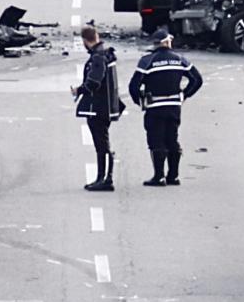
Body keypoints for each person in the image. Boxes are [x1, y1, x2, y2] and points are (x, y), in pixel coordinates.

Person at [128, 28, 203, 187]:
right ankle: (173, 176)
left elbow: (133, 86)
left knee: (156, 140)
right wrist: (184, 95)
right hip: (174, 106)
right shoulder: (180, 59)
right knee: (172, 138)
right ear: (167, 42)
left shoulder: (147, 61)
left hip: (155, 106)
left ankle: (159, 176)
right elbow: (197, 80)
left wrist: (140, 101)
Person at [72, 24, 123, 192]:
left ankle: (105, 179)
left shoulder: (98, 57)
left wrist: (80, 90)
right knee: (102, 142)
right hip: (106, 106)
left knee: (101, 144)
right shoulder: (105, 54)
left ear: (85, 41)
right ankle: (102, 177)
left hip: (98, 107)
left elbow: (94, 82)